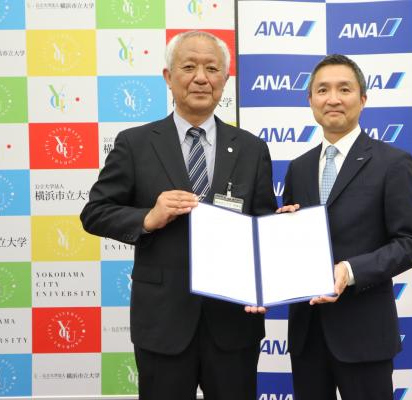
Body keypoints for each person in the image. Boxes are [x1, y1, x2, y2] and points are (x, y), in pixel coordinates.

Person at [80, 31, 277, 399]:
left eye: (212, 69)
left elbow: (262, 226)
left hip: (232, 323)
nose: (201, 78)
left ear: (225, 80)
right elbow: (95, 213)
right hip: (163, 322)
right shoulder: (135, 143)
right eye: (189, 67)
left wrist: (285, 227)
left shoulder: (252, 148)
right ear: (168, 77)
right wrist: (147, 218)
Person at [280, 54, 412, 399]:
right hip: (307, 335)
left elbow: (410, 242)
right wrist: (282, 232)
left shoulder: (393, 163)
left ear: (363, 99)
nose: (332, 98)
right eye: (322, 90)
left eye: (344, 89)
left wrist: (349, 270)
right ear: (310, 100)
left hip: (365, 334)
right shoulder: (298, 168)